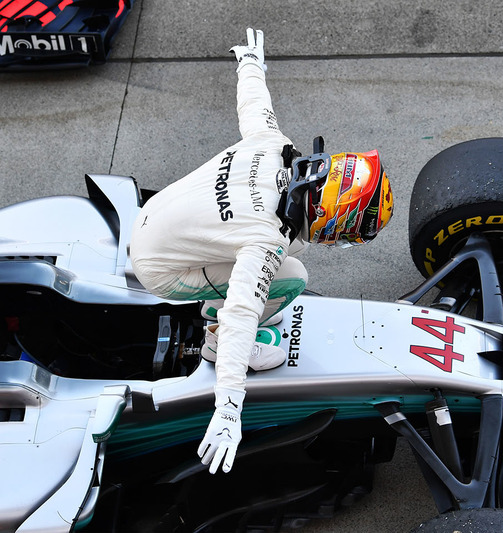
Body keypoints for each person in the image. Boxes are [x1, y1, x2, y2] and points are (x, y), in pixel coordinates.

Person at [129, 28, 393, 475]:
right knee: (292, 278)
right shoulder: (268, 238)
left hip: (152, 216)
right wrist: (229, 410)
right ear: (331, 217)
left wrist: (251, 62)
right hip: (159, 267)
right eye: (349, 227)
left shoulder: (274, 146)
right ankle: (209, 343)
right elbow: (241, 315)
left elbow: (255, 105)